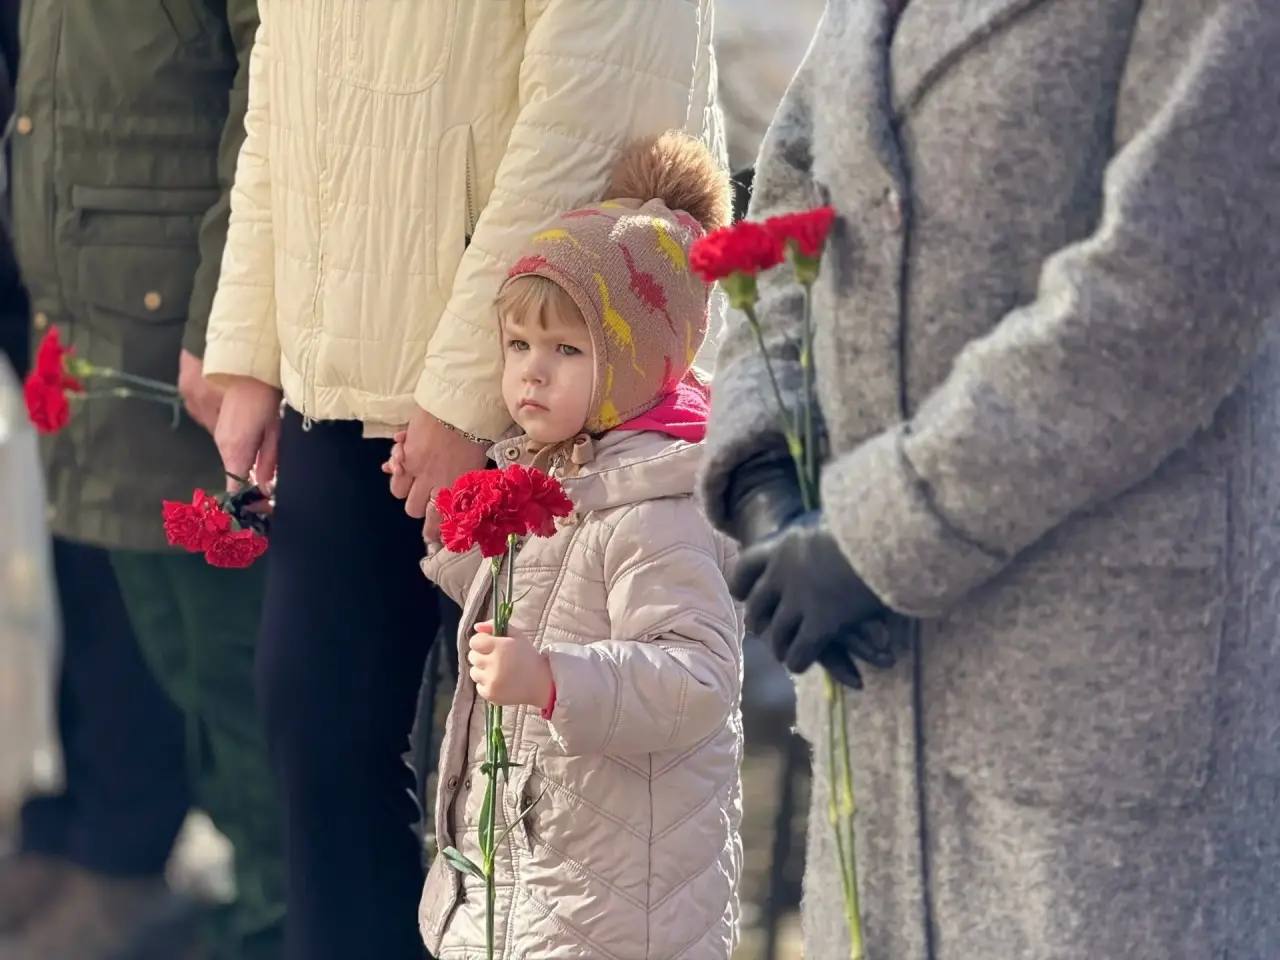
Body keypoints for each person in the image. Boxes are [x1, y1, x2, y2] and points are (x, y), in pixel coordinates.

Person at [703, 1, 1280, 958]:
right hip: (888, 702)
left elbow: (1167, 291)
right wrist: (769, 466)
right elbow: (796, 184)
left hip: (1104, 709)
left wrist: (875, 533)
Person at [202, 5, 723, 956]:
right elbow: (283, 78)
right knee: (315, 725)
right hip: (346, 362)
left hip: (544, 377)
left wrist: (462, 391)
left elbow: (593, 101)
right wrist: (251, 344)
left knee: (552, 789)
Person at [401, 133, 743, 959]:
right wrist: (458, 532)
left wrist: (554, 678)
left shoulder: (655, 506)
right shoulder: (564, 470)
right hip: (539, 874)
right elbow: (545, 594)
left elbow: (700, 675)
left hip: (619, 898)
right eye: (518, 346)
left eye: (565, 350)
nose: (530, 374)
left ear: (635, 359)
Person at [4, 3, 285, 958]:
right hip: (90, 321)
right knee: (174, 658)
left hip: (182, 348)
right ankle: (224, 899)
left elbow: (275, 75)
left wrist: (226, 316)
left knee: (238, 690)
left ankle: (264, 923)